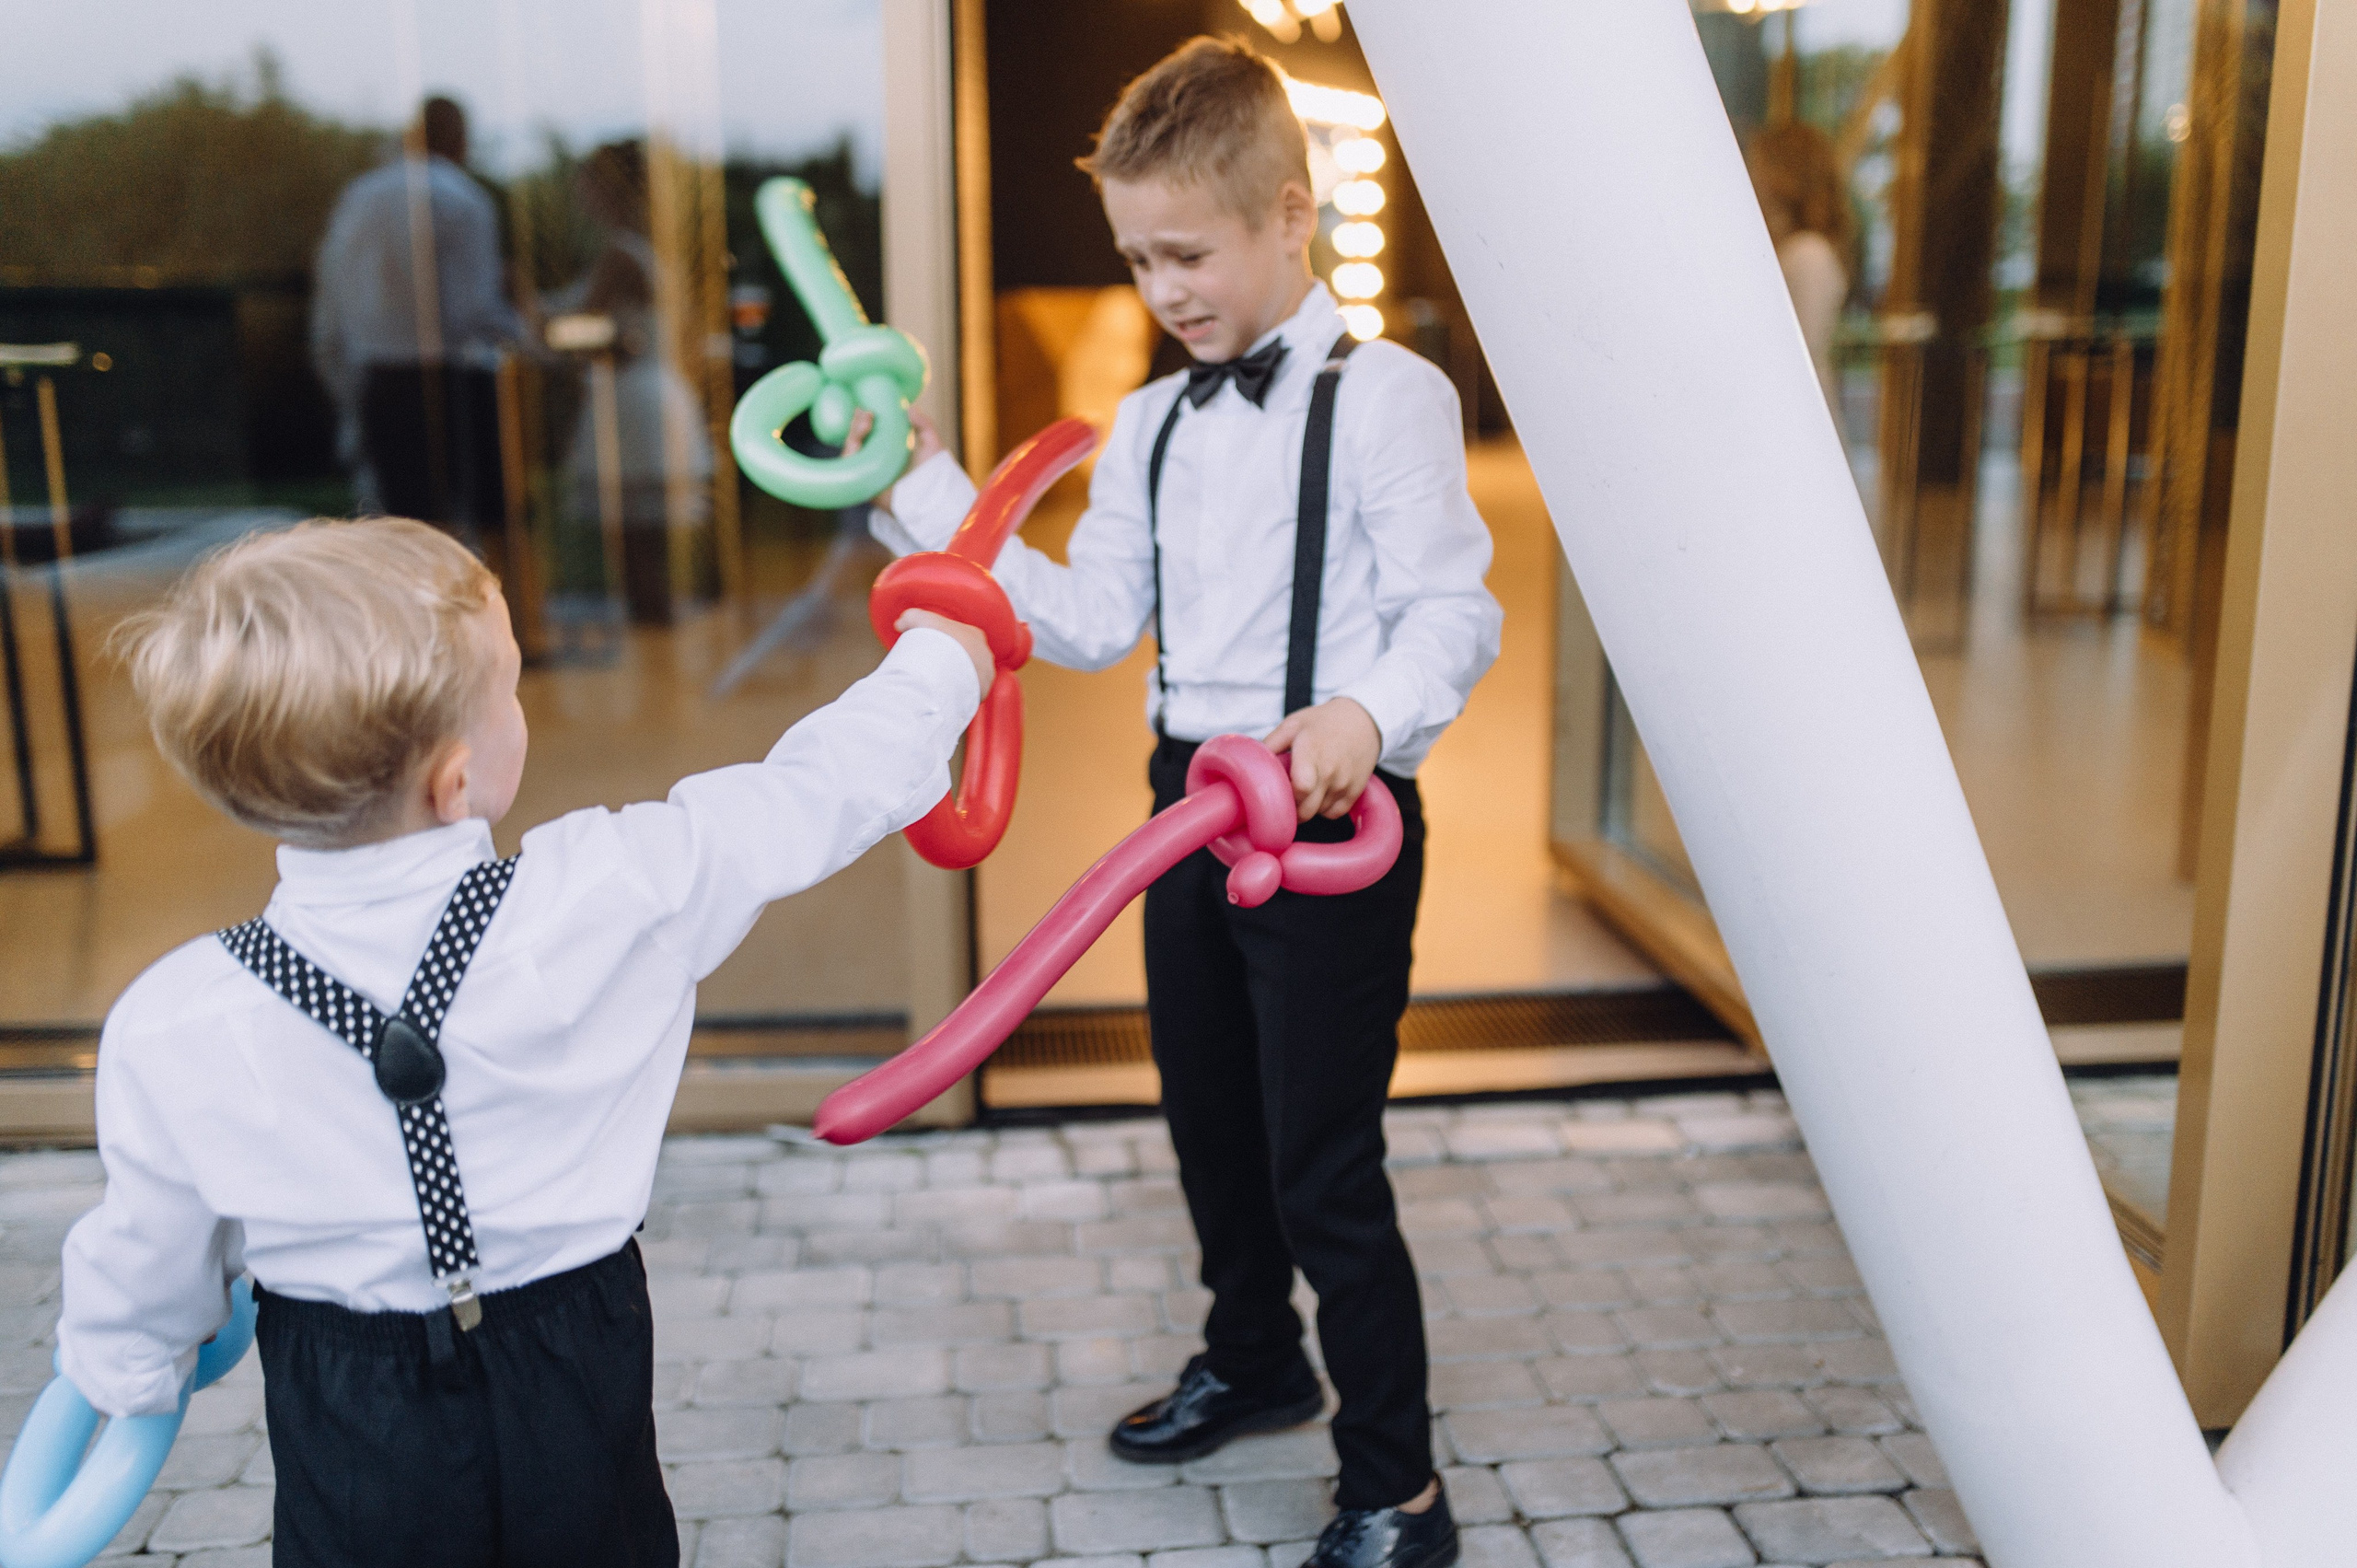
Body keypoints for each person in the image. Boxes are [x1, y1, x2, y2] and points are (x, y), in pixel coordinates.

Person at [56, 517, 992, 1567]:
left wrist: (127, 1372)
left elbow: (152, 1255)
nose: (519, 708)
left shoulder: (175, 1016)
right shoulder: (608, 888)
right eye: (508, 688)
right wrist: (945, 659)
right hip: (572, 1358)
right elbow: (813, 791)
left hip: (346, 1394)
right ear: (455, 780)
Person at [870, 36, 1501, 1568]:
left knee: (1322, 1159)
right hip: (1182, 805)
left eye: (1190, 252)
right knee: (1209, 1112)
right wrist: (936, 499)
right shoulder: (1151, 422)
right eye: (1138, 258)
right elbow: (1087, 618)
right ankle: (1255, 1356)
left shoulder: (1391, 397)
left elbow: (1453, 613)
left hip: (1334, 824)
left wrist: (1363, 711)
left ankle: (1398, 1486)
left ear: (1294, 214)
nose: (1165, 288)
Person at [311, 96, 523, 529]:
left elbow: (330, 304)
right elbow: (473, 311)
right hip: (451, 382)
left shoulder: (359, 196)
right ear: (460, 138)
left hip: (378, 378)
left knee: (403, 527)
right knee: (485, 522)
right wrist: (531, 337)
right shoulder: (461, 199)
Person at [548, 139, 715, 625]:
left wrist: (526, 309)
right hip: (659, 389)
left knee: (636, 542)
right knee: (650, 541)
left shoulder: (621, 255)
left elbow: (576, 326)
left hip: (632, 399)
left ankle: (658, 651)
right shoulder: (653, 250)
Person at [1746, 121, 1852, 424]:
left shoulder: (1809, 254)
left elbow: (1800, 354)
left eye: (1758, 166)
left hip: (1797, 418)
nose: (1751, 177)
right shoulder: (1793, 248)